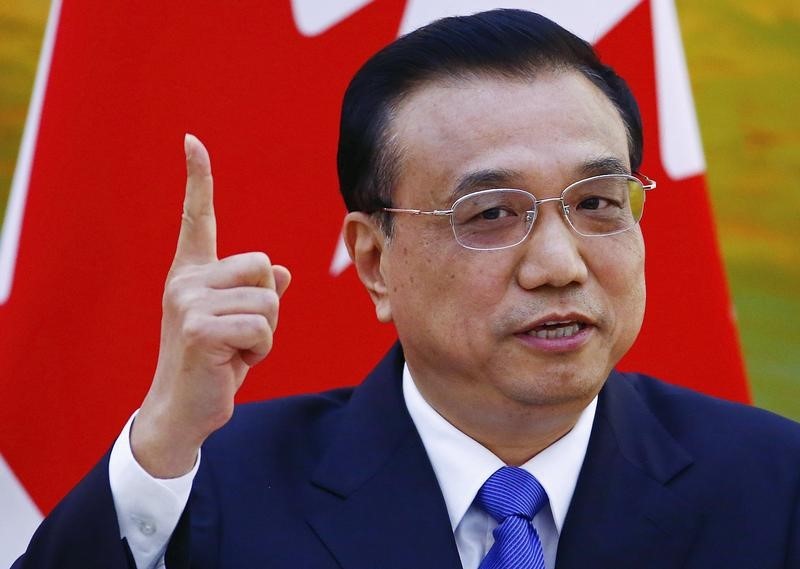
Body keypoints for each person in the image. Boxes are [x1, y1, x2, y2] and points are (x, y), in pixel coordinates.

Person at [14, 9, 800, 569]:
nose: (559, 263)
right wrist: (159, 440)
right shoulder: (213, 489)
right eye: (491, 213)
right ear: (373, 260)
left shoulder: (776, 486)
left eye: (597, 203)